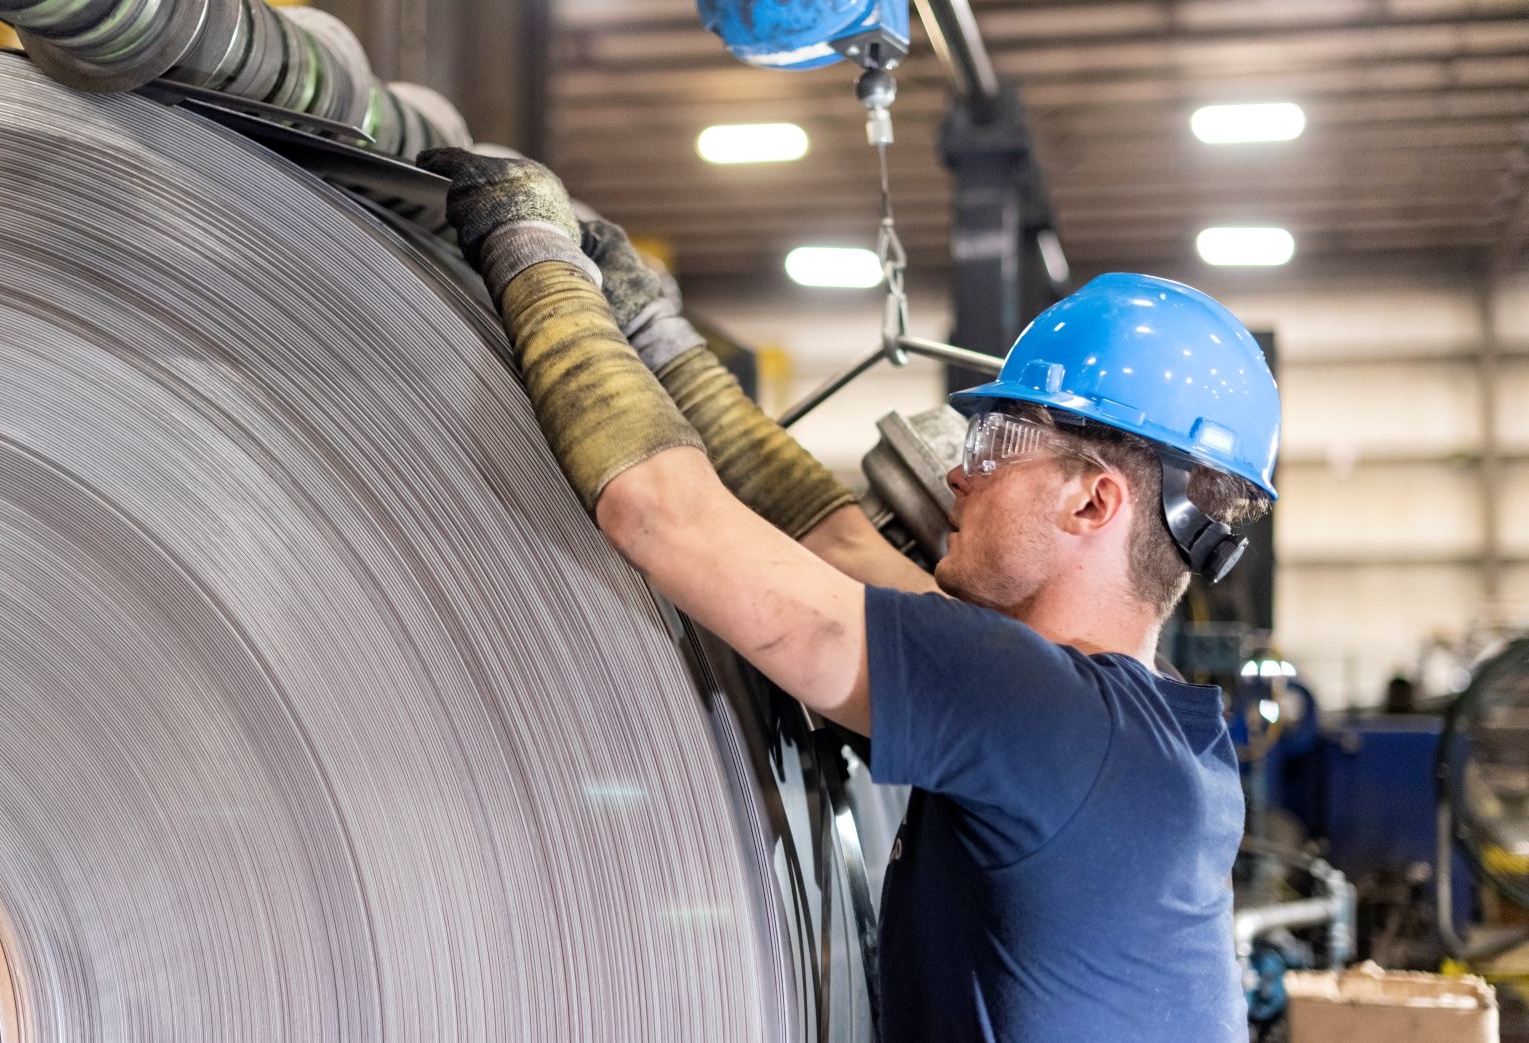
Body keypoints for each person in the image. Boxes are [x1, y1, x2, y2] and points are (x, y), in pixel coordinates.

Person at [415, 146, 1280, 1042]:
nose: (957, 472)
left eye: (996, 446)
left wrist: (531, 252)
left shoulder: (1039, 711)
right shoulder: (1134, 731)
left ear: (1093, 500)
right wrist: (657, 336)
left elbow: (661, 513)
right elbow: (837, 539)